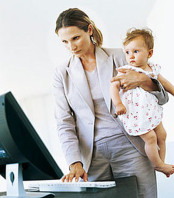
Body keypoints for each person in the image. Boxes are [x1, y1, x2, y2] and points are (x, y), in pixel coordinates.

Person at [53, 8, 168, 198]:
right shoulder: (62, 73)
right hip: (93, 155)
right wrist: (75, 162)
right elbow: (64, 121)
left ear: (89, 30)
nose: (71, 47)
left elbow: (162, 98)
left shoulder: (122, 56)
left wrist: (142, 81)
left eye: (75, 38)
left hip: (131, 147)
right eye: (64, 42)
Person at [110, 28, 174, 177]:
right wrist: (118, 103)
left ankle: (162, 162)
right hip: (135, 114)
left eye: (136, 51)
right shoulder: (125, 70)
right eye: (127, 52)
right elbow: (113, 86)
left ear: (149, 53)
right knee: (151, 138)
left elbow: (164, 84)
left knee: (162, 135)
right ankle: (157, 164)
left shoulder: (153, 69)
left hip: (151, 111)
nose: (130, 56)